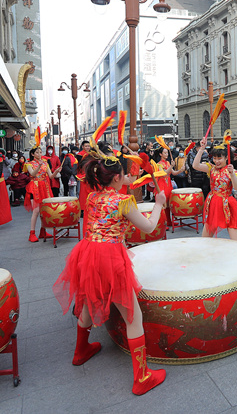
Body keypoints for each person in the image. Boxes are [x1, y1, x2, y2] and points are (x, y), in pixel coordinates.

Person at [53, 151, 166, 395]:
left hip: (88, 254)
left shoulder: (92, 197)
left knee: (86, 302)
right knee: (133, 317)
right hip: (111, 258)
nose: (129, 176)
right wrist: (158, 204)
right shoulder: (123, 202)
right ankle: (142, 377)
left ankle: (80, 351)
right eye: (125, 173)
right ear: (116, 178)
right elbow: (148, 227)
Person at [193, 137, 237, 241]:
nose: (216, 161)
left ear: (226, 158)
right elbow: (195, 165)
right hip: (213, 203)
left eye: (219, 158)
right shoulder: (211, 168)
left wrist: (232, 174)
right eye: (214, 158)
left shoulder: (232, 171)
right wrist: (201, 149)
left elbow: (236, 187)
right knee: (205, 239)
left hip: (227, 205)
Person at [24, 144, 61, 242]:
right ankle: (32, 233)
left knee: (44, 210)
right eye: (37, 152)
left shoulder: (45, 163)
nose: (39, 154)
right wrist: (39, 165)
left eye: (40, 152)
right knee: (36, 211)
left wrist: (56, 171)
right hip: (34, 187)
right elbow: (32, 174)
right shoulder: (29, 164)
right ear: (32, 154)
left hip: (45, 187)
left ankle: (43, 231)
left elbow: (51, 176)